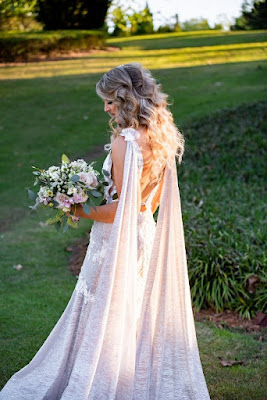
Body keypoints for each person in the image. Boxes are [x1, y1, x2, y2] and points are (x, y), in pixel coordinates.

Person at [0, 63, 210, 399]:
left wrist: (81, 209)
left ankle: (100, 380)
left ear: (126, 98)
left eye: (110, 100)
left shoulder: (124, 142)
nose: (106, 108)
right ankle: (131, 377)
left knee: (103, 309)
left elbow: (120, 211)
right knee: (131, 312)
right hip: (145, 234)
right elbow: (147, 206)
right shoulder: (162, 139)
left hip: (116, 240)